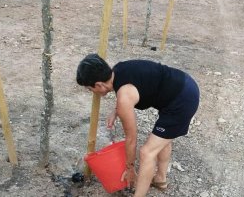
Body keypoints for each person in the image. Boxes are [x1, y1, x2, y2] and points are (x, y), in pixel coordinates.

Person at [76, 54, 200, 196]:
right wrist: (116, 110)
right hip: (183, 84)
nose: (92, 92)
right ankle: (160, 179)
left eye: (89, 89)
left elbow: (131, 138)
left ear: (98, 85)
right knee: (162, 138)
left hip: (182, 100)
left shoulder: (124, 96)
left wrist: (130, 168)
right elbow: (137, 83)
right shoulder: (118, 70)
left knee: (147, 152)